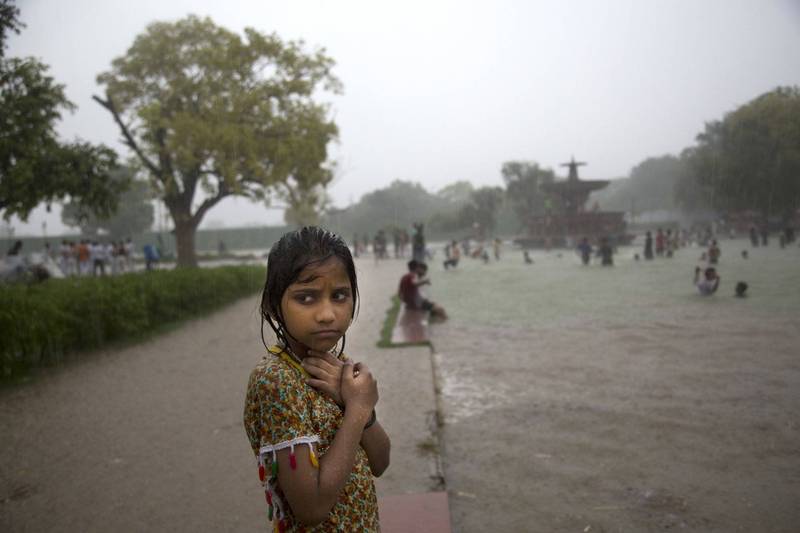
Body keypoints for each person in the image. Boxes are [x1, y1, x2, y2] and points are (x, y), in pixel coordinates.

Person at [244, 227, 390, 532]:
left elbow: (381, 461)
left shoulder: (335, 366)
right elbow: (312, 508)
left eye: (339, 296)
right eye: (306, 298)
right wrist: (359, 408)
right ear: (273, 304)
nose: (327, 314)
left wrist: (358, 408)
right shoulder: (277, 381)